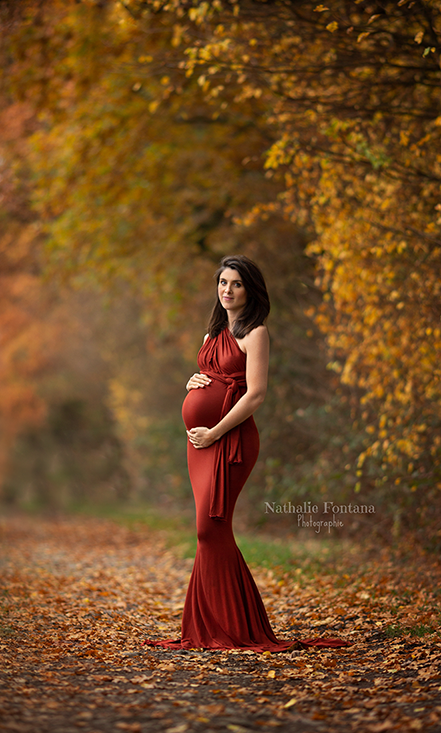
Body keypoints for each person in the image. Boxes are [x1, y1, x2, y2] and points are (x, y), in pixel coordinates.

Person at [144, 255, 349, 652]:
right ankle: (213, 626)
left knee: (210, 527)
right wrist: (192, 382)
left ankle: (235, 626)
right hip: (199, 443)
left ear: (249, 290)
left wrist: (215, 432)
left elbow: (255, 394)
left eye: (236, 283)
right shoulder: (211, 335)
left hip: (232, 441)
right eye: (223, 282)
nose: (227, 290)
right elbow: (209, 378)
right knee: (209, 530)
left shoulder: (256, 333)